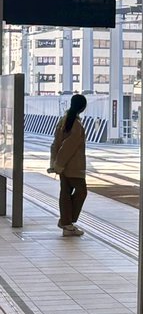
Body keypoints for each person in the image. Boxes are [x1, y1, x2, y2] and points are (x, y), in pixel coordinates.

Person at [50, 94, 88, 237]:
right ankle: (67, 221)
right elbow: (68, 147)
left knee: (65, 193)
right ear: (83, 107)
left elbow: (55, 144)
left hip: (63, 166)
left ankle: (67, 226)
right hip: (73, 166)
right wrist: (59, 163)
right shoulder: (76, 124)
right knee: (81, 192)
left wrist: (56, 163)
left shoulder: (64, 120)